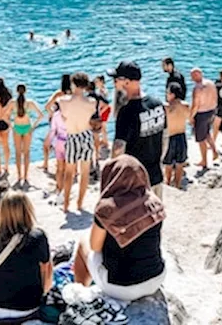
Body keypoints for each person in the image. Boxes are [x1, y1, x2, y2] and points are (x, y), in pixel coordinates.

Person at [72, 156, 166, 303]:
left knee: (84, 242)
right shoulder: (154, 202)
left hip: (121, 287)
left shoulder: (107, 209)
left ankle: (80, 296)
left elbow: (95, 247)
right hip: (156, 278)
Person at [0, 192, 51, 320]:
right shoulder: (38, 237)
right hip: (28, 307)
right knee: (47, 261)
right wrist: (43, 293)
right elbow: (46, 269)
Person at [109, 61, 168, 199]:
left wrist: (113, 175)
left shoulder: (127, 112)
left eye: (116, 79)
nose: (114, 83)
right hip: (156, 175)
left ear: (127, 82)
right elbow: (165, 138)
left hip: (134, 181)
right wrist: (159, 161)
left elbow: (118, 148)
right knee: (155, 217)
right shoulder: (157, 104)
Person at [60, 72, 98, 213]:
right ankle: (80, 203)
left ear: (73, 84)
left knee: (69, 172)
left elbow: (63, 116)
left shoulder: (64, 101)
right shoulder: (92, 102)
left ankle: (65, 204)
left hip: (72, 136)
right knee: (85, 171)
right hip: (86, 135)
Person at [11, 83, 42, 188]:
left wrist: (11, 126)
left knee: (18, 153)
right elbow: (40, 115)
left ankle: (19, 175)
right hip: (27, 128)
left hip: (17, 127)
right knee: (27, 152)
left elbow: (4, 116)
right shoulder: (30, 103)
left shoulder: (12, 103)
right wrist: (33, 127)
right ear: (25, 91)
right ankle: (26, 176)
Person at [163, 83, 191, 189]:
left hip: (169, 137)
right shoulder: (186, 105)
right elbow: (190, 119)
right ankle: (178, 184)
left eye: (167, 93)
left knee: (168, 164)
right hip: (181, 136)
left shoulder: (166, 107)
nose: (166, 95)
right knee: (180, 163)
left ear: (172, 94)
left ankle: (168, 183)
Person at [190, 67, 219, 168]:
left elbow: (195, 105)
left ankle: (204, 161)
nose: (191, 78)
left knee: (201, 139)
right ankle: (215, 152)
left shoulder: (197, 88)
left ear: (197, 75)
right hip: (211, 111)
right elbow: (216, 98)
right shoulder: (211, 83)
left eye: (192, 76)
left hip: (201, 114)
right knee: (207, 133)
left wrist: (191, 117)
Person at [42, 75, 71, 172]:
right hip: (68, 123)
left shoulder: (58, 93)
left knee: (47, 144)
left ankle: (45, 164)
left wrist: (52, 114)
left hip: (56, 123)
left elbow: (47, 106)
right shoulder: (73, 95)